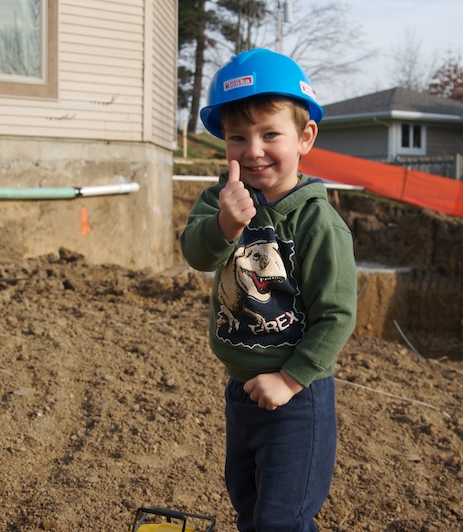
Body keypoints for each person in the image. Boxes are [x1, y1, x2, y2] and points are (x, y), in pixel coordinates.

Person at [180, 48, 357, 531]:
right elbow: (197, 254)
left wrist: (290, 379)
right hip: (241, 390)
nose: (253, 150)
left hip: (298, 397)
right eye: (238, 137)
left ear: (305, 138)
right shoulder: (221, 199)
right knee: (249, 506)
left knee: (282, 519)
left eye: (270, 134)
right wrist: (225, 224)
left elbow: (336, 315)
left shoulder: (318, 223)